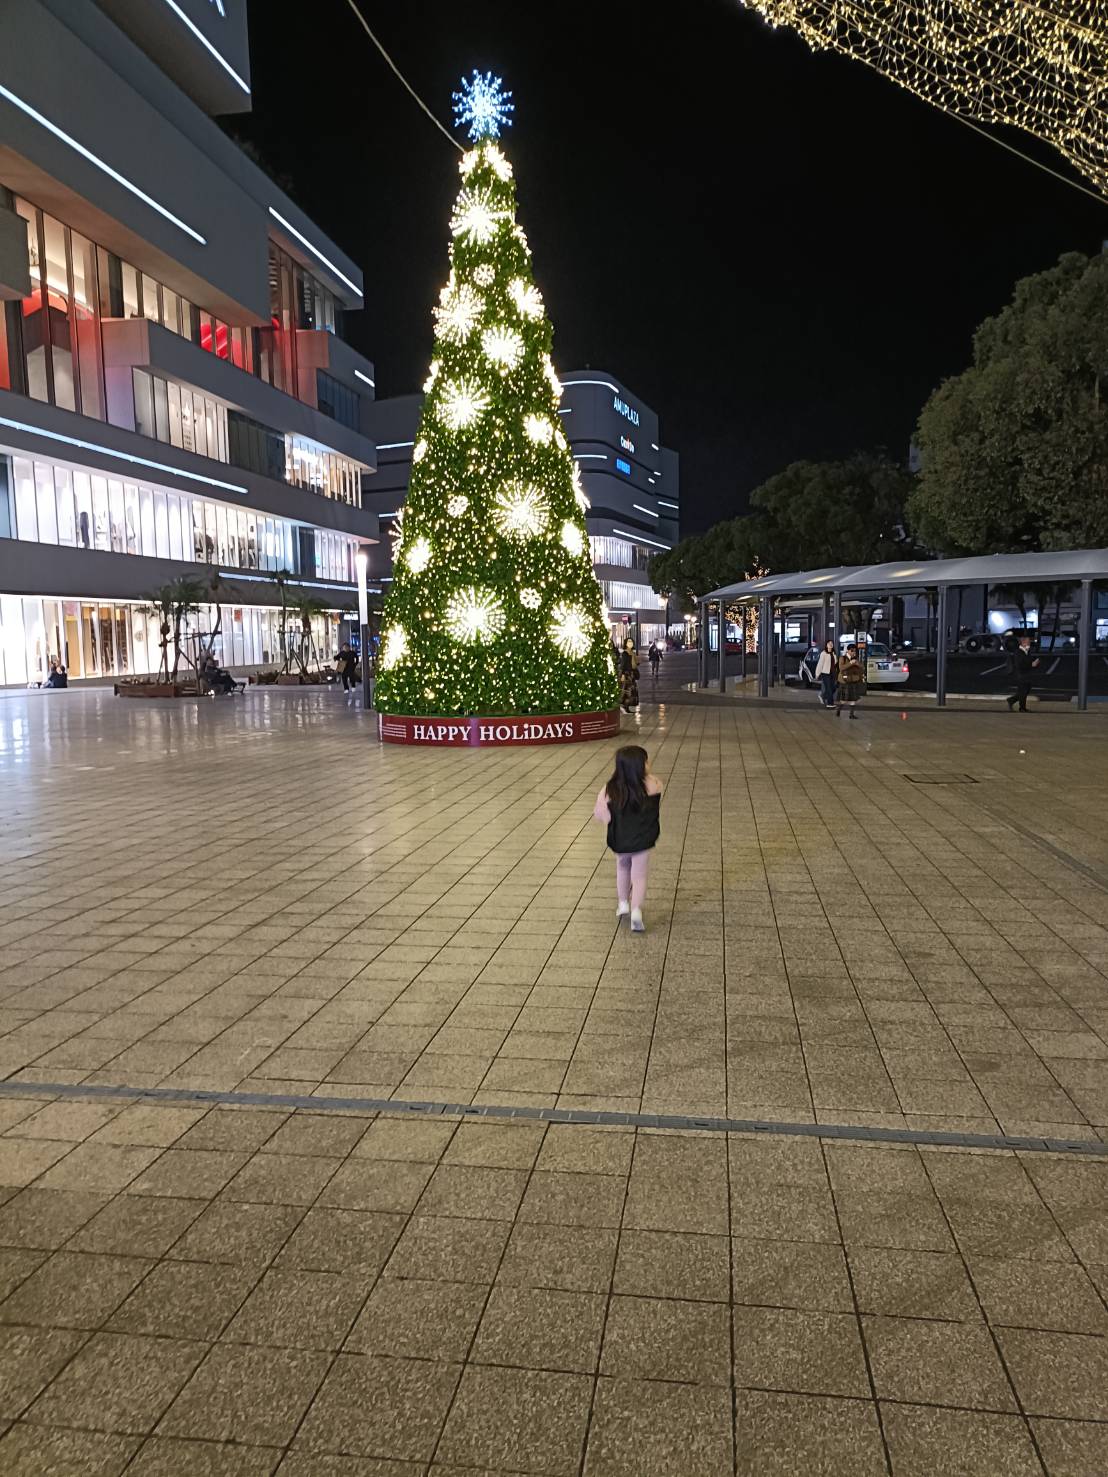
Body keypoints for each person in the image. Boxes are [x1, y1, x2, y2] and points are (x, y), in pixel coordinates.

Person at [593, 744, 663, 934]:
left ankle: (623, 903)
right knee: (639, 877)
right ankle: (636, 911)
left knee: (622, 868)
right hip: (642, 839)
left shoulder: (609, 789)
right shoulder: (654, 784)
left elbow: (600, 814)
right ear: (641, 765)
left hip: (620, 839)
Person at [1007, 635, 1039, 711]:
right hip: (1021, 674)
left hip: (1027, 674)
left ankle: (1012, 700)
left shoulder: (1027, 651)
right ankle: (1022, 708)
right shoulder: (1018, 652)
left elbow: (1028, 661)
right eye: (1028, 642)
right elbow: (1019, 664)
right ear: (1023, 642)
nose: (1029, 643)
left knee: (1025, 691)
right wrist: (1031, 664)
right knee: (1023, 691)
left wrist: (1034, 663)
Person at [837, 643, 865, 718]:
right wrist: (850, 663)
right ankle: (839, 710)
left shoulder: (855, 659)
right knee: (844, 699)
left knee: (853, 698)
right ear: (848, 651)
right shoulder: (842, 658)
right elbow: (841, 668)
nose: (853, 652)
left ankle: (851, 714)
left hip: (853, 680)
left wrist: (857, 663)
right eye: (852, 651)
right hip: (845, 680)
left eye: (855, 651)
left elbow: (862, 667)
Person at [814, 639, 837, 708]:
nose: (830, 644)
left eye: (831, 643)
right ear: (826, 645)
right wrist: (817, 674)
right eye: (829, 643)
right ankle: (830, 704)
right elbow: (820, 664)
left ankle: (822, 696)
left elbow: (835, 663)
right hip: (825, 673)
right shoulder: (823, 653)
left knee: (833, 688)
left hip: (832, 673)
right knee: (829, 688)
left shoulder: (834, 653)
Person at [619, 638, 639, 712]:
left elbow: (634, 664)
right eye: (628, 641)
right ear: (626, 643)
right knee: (627, 691)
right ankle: (624, 706)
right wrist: (622, 674)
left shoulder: (632, 653)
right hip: (627, 674)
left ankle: (627, 707)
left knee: (632, 692)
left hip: (632, 674)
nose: (630, 643)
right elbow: (623, 665)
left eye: (631, 641)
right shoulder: (625, 653)